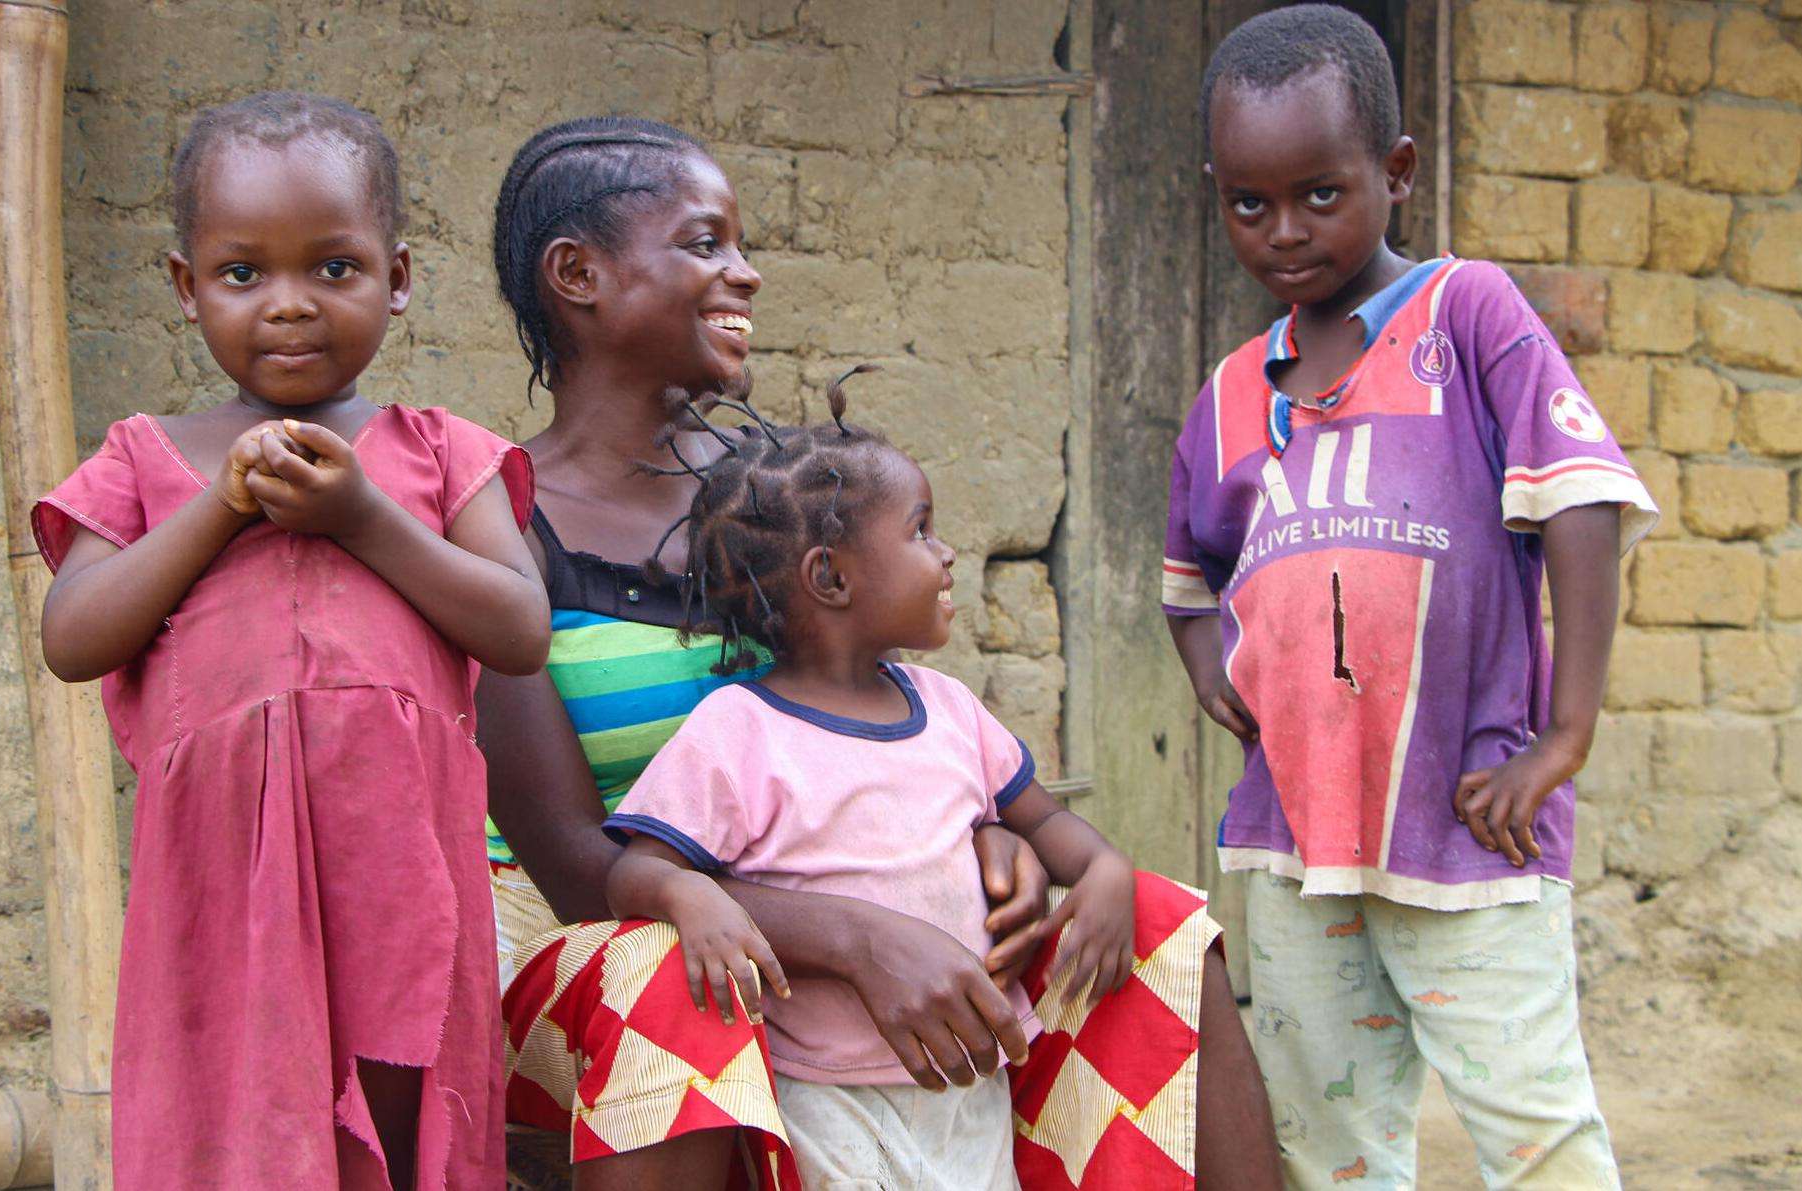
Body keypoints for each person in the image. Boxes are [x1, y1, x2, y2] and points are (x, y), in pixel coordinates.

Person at [477, 116, 1277, 1190]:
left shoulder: (778, 496)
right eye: (704, 243)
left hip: (804, 909)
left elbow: (877, 723)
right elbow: (579, 875)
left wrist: (992, 846)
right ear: (577, 274)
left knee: (1155, 930)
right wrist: (855, 939)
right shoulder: (497, 523)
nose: (745, 273)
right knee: (666, 977)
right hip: (593, 942)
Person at [1162, 8, 1654, 1188]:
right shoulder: (1230, 393)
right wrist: (1211, 676)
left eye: (1320, 195)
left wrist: (1564, 734)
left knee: (1533, 1132)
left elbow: (1580, 504)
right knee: (1327, 1142)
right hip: (1291, 840)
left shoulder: (1468, 315)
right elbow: (1188, 580)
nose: (1283, 232)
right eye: (1247, 203)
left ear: (1395, 172)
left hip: (1470, 821)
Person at [34, 92, 550, 1190]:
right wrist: (219, 507)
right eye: (241, 274)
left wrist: (361, 517)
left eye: (332, 268)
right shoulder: (144, 457)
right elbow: (73, 638)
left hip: (397, 874)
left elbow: (516, 627)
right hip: (221, 883)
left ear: (397, 278)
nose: (288, 307)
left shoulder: (438, 453)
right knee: (237, 1122)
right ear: (185, 289)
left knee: (399, 1120)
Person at [602, 375, 1161, 1189]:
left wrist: (1106, 871)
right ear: (831, 579)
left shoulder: (950, 709)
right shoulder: (739, 731)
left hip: (968, 1079)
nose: (946, 553)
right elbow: (635, 868)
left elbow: (1044, 824)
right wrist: (688, 899)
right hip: (825, 1092)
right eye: (921, 530)